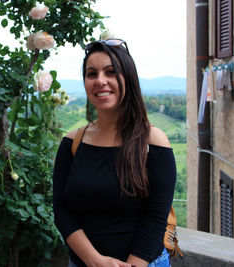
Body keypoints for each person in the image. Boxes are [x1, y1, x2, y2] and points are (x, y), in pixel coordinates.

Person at [52, 38, 176, 267]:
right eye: (92, 74)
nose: (100, 81)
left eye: (111, 72)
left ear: (127, 78)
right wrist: (95, 261)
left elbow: (156, 218)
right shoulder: (72, 142)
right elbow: (61, 211)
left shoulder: (152, 140)